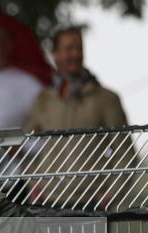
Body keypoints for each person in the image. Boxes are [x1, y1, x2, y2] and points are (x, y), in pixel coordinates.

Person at [23, 26, 134, 209]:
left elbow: (125, 152)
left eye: (79, 48)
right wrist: (34, 183)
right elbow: (26, 147)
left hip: (94, 202)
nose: (75, 54)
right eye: (68, 49)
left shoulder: (106, 99)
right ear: (56, 54)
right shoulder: (43, 99)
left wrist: (112, 194)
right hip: (50, 201)